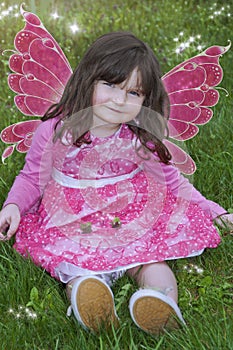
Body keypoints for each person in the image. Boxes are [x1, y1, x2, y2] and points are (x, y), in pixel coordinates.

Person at [0, 32, 232, 335]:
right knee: (79, 266)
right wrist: (13, 205)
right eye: (110, 85)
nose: (120, 100)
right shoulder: (56, 131)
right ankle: (90, 298)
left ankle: (160, 304)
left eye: (134, 93)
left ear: (146, 99)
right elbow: (32, 177)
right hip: (73, 219)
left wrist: (214, 211)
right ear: (88, 80)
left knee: (151, 261)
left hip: (130, 216)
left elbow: (174, 183)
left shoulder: (140, 136)